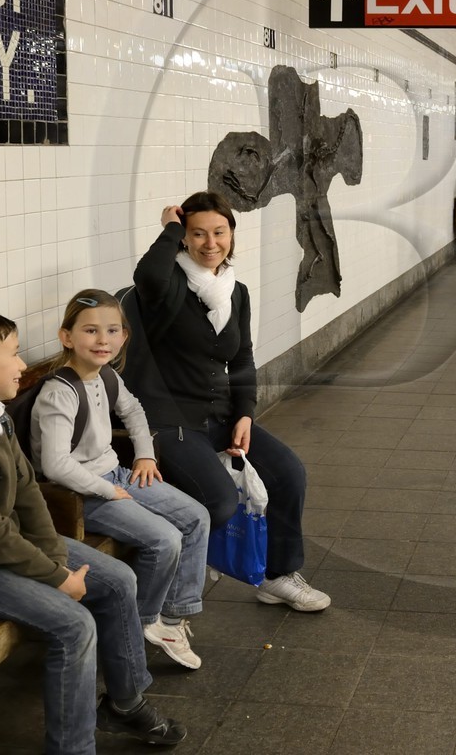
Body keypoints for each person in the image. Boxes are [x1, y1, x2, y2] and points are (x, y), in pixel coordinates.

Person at [0, 310, 186, 752]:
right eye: (13, 356)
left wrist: (55, 560)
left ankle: (125, 705)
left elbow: (29, 496)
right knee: (74, 625)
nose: (22, 365)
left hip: (5, 546)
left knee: (119, 582)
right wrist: (57, 578)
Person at [125, 191, 331, 611]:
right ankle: (168, 590)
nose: (209, 242)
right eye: (197, 234)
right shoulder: (167, 287)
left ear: (232, 235)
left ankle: (277, 576)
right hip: (170, 421)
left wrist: (246, 414)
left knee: (289, 473)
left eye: (219, 232)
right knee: (217, 501)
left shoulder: (234, 292)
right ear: (183, 237)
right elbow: (145, 276)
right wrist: (168, 228)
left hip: (219, 415)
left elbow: (242, 358)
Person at [29, 289, 211, 670]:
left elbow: (134, 410)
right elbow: (56, 464)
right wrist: (106, 490)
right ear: (67, 337)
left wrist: (144, 453)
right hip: (79, 494)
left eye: (112, 331)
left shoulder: (107, 377)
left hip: (118, 475)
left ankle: (172, 619)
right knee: (165, 539)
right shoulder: (58, 394)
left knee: (197, 517)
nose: (103, 340)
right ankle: (144, 620)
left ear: (124, 337)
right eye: (91, 331)